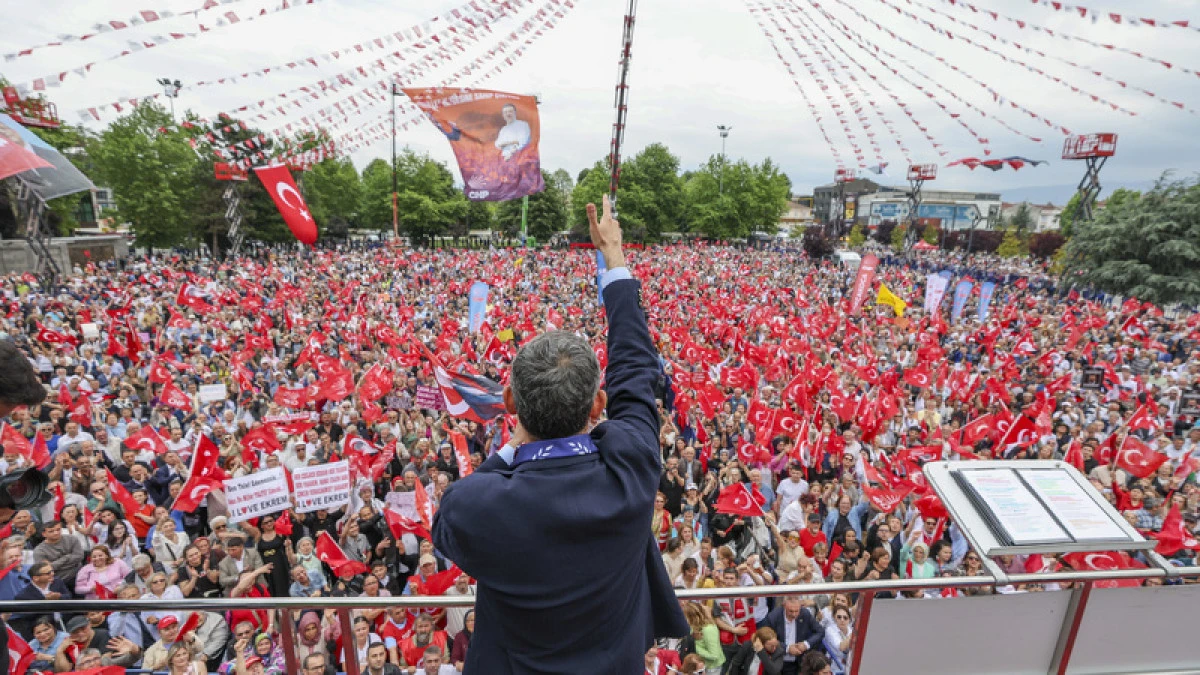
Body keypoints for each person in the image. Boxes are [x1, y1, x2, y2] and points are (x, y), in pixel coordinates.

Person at [432, 197, 688, 673]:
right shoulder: (629, 470)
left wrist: (510, 449)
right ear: (597, 406)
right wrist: (614, 257)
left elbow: (448, 528)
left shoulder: (476, 504)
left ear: (509, 404)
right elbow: (635, 368)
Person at [763, 597, 825, 675]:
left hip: (797, 663)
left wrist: (806, 644)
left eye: (797, 611)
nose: (794, 614)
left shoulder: (805, 614)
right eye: (791, 611)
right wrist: (787, 648)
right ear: (784, 606)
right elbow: (766, 639)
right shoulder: (773, 617)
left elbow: (820, 632)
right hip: (777, 660)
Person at [822, 608, 853, 675]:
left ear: (849, 620)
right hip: (834, 666)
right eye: (839, 617)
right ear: (834, 618)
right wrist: (854, 635)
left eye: (845, 618)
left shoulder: (851, 630)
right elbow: (841, 647)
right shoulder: (830, 630)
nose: (842, 620)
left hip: (849, 665)